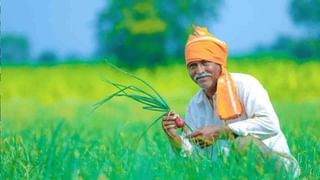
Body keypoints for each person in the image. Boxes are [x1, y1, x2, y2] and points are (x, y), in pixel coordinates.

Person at [161, 26, 300, 177]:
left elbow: (270, 124)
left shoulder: (246, 85)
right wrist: (174, 139)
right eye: (192, 66)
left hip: (279, 170)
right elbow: (194, 158)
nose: (199, 71)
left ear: (219, 63)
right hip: (231, 172)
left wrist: (221, 132)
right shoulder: (195, 105)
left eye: (205, 63)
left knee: (243, 144)